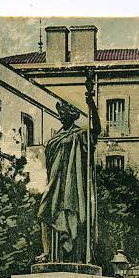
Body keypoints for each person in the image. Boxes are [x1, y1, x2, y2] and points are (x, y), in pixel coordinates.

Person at [36, 71, 101, 264]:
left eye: (64, 113)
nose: (61, 116)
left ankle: (71, 253)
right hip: (55, 182)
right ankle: (47, 253)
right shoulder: (55, 138)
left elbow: (96, 130)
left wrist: (91, 104)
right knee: (44, 212)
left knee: (71, 216)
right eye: (60, 114)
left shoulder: (80, 134)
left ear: (71, 116)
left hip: (72, 185)